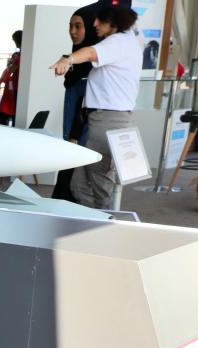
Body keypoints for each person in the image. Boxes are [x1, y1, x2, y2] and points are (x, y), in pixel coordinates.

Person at [51, 5, 141, 210]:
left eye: (100, 20)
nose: (95, 24)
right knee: (79, 183)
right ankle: (94, 219)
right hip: (102, 119)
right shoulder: (127, 42)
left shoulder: (118, 41)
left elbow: (91, 53)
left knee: (100, 181)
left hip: (107, 120)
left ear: (114, 23)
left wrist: (68, 59)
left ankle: (105, 221)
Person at [51, 7, 98, 202]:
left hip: (79, 141)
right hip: (72, 143)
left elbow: (85, 108)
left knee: (77, 183)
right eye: (70, 26)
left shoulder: (92, 69)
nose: (72, 31)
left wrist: (73, 136)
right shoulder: (77, 68)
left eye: (78, 26)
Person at [0, 30, 22, 125]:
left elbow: (10, 71)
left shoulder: (17, 62)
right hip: (5, 107)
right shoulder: (7, 72)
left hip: (14, 104)